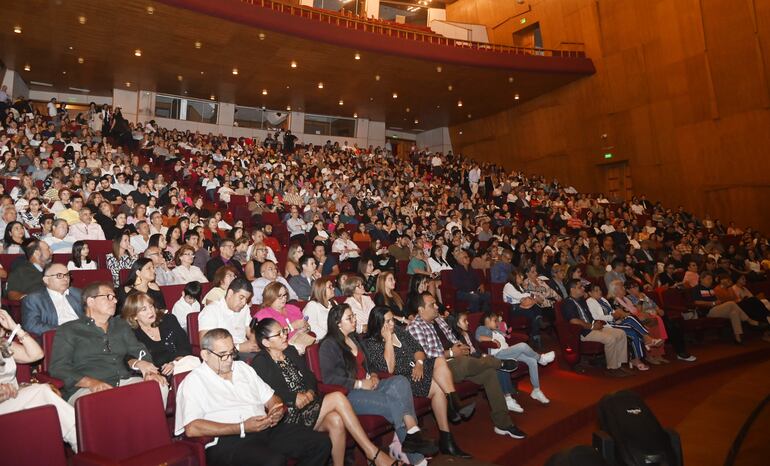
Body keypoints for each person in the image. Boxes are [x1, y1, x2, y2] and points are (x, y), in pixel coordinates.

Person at [251, 318, 399, 466]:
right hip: (289, 413)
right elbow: (270, 392)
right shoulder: (260, 362)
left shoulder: (290, 350)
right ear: (266, 342)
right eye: (279, 334)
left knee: (336, 420)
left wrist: (309, 392)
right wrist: (294, 397)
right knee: (337, 397)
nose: (285, 335)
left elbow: (310, 376)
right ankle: (372, 452)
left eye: (284, 331)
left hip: (309, 404)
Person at [174, 328, 332, 466]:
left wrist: (275, 410)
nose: (229, 360)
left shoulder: (242, 368)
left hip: (264, 428)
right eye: (223, 355)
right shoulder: (194, 381)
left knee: (321, 443)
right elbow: (192, 428)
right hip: (228, 440)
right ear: (205, 355)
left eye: (232, 353)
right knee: (273, 461)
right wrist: (242, 426)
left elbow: (272, 398)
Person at [319, 303, 438, 464]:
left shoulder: (355, 338)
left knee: (401, 382)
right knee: (395, 403)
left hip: (371, 384)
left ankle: (412, 435)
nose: (355, 320)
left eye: (353, 316)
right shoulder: (329, 345)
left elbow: (371, 365)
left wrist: (374, 376)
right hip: (350, 394)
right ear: (338, 324)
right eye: (350, 318)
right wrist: (360, 384)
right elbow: (330, 379)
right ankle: (416, 451)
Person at [407, 292, 526, 439]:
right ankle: (498, 362)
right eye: (432, 305)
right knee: (467, 362)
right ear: (420, 309)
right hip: (440, 369)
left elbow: (452, 338)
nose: (437, 306)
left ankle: (503, 423)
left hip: (458, 360)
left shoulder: (439, 319)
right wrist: (451, 352)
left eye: (436, 303)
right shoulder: (415, 327)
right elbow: (424, 356)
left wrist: (461, 347)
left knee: (490, 374)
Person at [362, 307, 472, 458]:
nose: (392, 324)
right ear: (378, 323)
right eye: (387, 321)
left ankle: (454, 403)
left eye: (392, 320)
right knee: (438, 389)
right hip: (404, 379)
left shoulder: (399, 331)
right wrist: (388, 340)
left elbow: (418, 349)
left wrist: (419, 363)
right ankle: (447, 437)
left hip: (418, 368)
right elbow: (389, 368)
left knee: (440, 360)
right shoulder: (372, 343)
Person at [50, 281, 169, 405]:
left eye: (114, 297)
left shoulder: (120, 325)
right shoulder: (69, 330)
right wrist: (91, 382)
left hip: (123, 381)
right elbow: (59, 368)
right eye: (109, 297)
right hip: (86, 389)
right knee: (107, 403)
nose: (115, 301)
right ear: (90, 301)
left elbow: (138, 350)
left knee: (159, 386)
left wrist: (148, 370)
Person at [0, 309, 78, 451]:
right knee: (42, 392)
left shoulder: (3, 345)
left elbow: (36, 354)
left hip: (14, 398)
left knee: (43, 395)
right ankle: (81, 438)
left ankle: (78, 438)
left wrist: (15, 328)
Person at [474, 311, 555, 405]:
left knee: (532, 361)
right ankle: (541, 359)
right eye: (494, 320)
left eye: (496, 321)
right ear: (487, 320)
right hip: (498, 355)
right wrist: (492, 339)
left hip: (507, 352)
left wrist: (501, 325)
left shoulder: (497, 330)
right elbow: (478, 337)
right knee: (523, 346)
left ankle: (536, 390)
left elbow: (507, 333)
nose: (496, 323)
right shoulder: (482, 328)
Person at [561, 280, 630, 377]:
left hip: (592, 327)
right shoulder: (567, 303)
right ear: (572, 289)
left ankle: (620, 364)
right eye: (580, 287)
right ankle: (612, 368)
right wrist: (592, 326)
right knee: (610, 339)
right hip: (583, 332)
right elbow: (574, 321)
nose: (583, 288)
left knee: (621, 333)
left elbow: (589, 317)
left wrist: (595, 323)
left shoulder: (581, 300)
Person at [121, 292, 199, 376]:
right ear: (134, 316)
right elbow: (127, 358)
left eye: (151, 306)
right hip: (156, 374)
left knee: (192, 362)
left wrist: (174, 363)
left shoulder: (169, 320)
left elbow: (185, 347)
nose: (150, 311)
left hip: (180, 365)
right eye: (144, 309)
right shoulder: (132, 334)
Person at [198, 278, 259, 359]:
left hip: (245, 351)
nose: (244, 303)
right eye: (241, 297)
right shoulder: (211, 310)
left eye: (246, 299)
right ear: (230, 293)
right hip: (223, 356)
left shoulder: (244, 308)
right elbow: (205, 344)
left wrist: (255, 342)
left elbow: (250, 331)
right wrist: (238, 348)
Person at [692, 272, 759, 344]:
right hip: (707, 311)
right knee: (731, 303)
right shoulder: (697, 288)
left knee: (734, 313)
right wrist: (712, 303)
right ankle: (749, 320)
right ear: (701, 279)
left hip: (717, 309)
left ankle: (738, 339)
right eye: (708, 279)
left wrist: (717, 302)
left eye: (711, 279)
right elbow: (696, 302)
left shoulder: (711, 289)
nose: (711, 280)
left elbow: (717, 300)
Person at [21, 263, 84, 336]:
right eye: (59, 275)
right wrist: (63, 330)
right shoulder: (34, 299)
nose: (65, 279)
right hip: (58, 338)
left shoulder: (78, 293)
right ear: (46, 280)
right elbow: (32, 326)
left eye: (67, 275)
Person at [254, 282, 313, 354]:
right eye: (280, 296)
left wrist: (306, 327)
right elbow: (266, 339)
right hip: (281, 350)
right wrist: (292, 326)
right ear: (271, 297)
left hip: (302, 343)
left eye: (285, 295)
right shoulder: (263, 315)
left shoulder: (293, 308)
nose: (284, 298)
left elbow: (308, 327)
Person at [502, 269, 544, 347]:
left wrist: (530, 297)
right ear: (514, 277)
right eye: (519, 276)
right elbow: (519, 296)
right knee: (532, 312)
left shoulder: (518, 286)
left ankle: (536, 334)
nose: (522, 277)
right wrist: (532, 296)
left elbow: (524, 295)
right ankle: (536, 333)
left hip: (521, 305)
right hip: (512, 308)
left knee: (535, 306)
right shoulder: (508, 285)